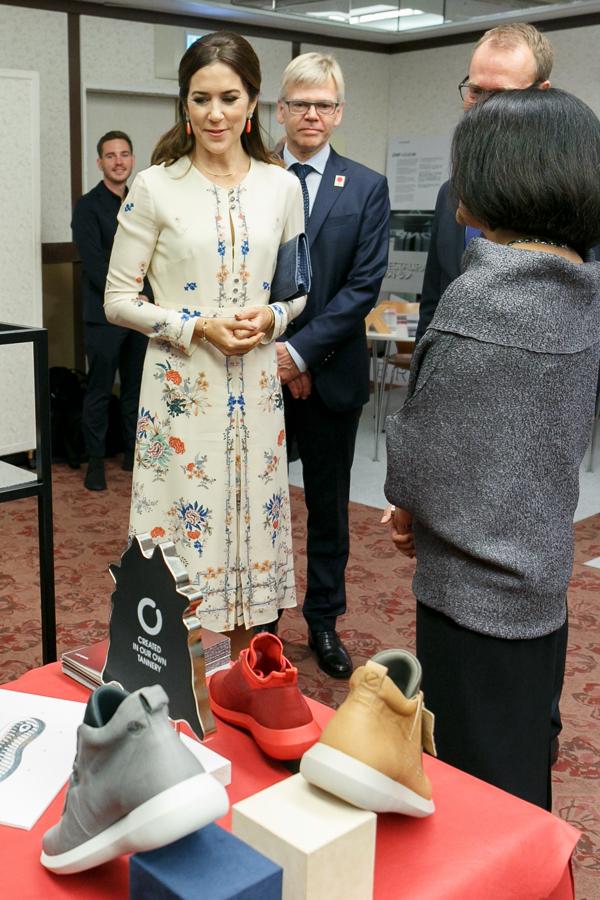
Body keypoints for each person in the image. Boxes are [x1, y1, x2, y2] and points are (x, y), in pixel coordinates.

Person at [384, 88, 600, 810]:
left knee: (471, 784)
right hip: (542, 573)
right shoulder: (582, 288)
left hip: (470, 593)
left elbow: (422, 455)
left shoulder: (483, 300)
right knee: (523, 756)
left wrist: (406, 506)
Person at [104, 33, 306, 639]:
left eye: (229, 98)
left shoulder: (282, 186)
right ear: (184, 104)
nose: (215, 113)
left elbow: (297, 289)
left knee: (252, 536)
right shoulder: (154, 186)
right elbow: (117, 300)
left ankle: (244, 672)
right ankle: (174, 672)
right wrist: (195, 326)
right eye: (200, 99)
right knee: (182, 547)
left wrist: (274, 319)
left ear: (252, 103)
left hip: (258, 392)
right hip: (181, 394)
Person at [275, 53, 390, 678]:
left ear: (339, 112)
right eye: (301, 103)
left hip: (331, 375)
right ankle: (260, 619)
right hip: (257, 372)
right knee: (258, 505)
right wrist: (277, 354)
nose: (312, 114)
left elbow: (361, 287)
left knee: (328, 508)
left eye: (324, 104)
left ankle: (323, 620)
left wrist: (299, 353)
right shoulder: (252, 176)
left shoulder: (366, 187)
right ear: (281, 109)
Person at [415, 23, 553, 344]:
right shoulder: (450, 194)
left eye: (501, 96)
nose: (483, 109)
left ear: (541, 94)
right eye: (476, 91)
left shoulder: (569, 195)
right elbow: (433, 302)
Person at [72, 131, 151, 491]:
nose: (118, 161)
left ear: (132, 159)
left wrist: (146, 299)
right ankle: (95, 463)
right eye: (110, 155)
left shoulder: (142, 202)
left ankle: (134, 455)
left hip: (142, 312)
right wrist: (131, 295)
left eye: (124, 154)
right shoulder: (87, 207)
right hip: (104, 314)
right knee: (100, 389)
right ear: (100, 162)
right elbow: (93, 264)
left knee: (136, 388)